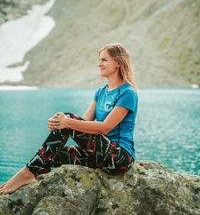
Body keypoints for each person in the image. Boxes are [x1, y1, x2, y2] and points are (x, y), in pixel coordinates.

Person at [0, 43, 138, 195]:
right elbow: (82, 124)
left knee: (68, 119)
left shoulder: (127, 92)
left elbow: (105, 127)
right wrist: (59, 124)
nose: (99, 64)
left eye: (104, 60)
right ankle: (32, 177)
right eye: (99, 60)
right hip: (98, 156)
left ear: (118, 62)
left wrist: (67, 122)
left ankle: (26, 174)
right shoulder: (101, 92)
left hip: (119, 158)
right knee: (52, 155)